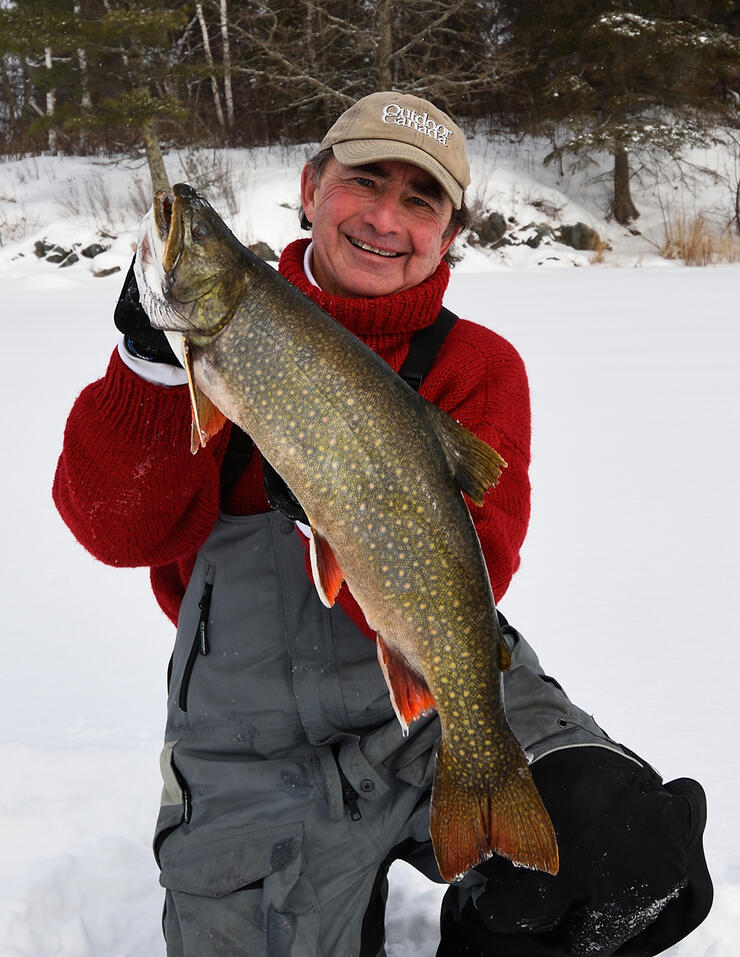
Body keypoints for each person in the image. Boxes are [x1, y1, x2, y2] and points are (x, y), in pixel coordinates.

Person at [53, 91, 712, 957]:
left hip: (437, 684)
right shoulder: (221, 333)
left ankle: (485, 925)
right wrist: (149, 362)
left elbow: (478, 566)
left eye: (420, 199)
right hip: (248, 736)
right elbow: (116, 529)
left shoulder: (479, 367)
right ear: (311, 186)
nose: (384, 217)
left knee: (627, 859)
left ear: (450, 233)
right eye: (365, 181)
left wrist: (345, 498)